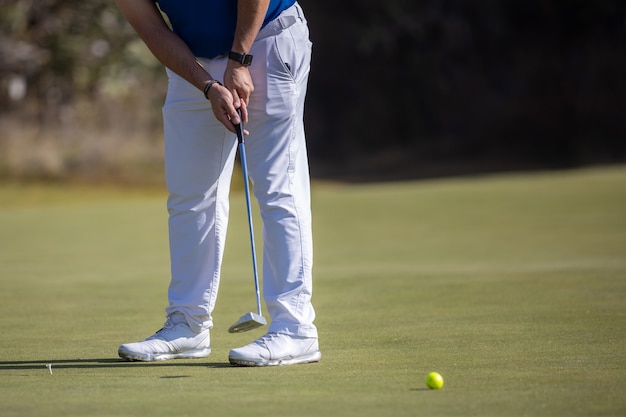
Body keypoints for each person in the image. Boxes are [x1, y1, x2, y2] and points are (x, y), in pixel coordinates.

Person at [113, 0, 320, 366]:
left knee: (277, 187)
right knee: (190, 194)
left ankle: (295, 328)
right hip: (194, 59)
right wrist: (208, 85)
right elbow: (152, 30)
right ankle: (187, 324)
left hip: (268, 40)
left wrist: (238, 62)